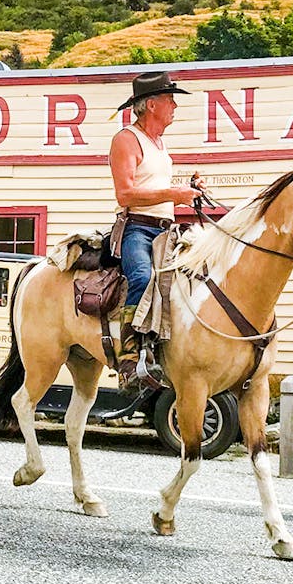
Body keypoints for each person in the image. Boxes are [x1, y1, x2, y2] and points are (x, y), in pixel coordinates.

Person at [109, 72, 200, 391]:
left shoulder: (160, 144)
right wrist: (175, 195)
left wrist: (185, 190)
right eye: (169, 99)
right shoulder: (126, 139)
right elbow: (125, 194)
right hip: (139, 228)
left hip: (166, 230)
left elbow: (154, 186)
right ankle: (129, 360)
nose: (175, 105)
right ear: (151, 105)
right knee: (142, 277)